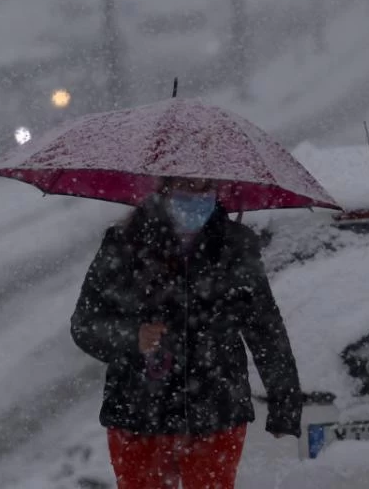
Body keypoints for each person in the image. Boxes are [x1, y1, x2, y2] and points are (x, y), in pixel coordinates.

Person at [71, 176, 303, 488]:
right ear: (164, 189)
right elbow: (85, 323)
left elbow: (265, 328)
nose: (198, 197)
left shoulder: (235, 245)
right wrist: (132, 336)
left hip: (216, 411)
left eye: (206, 187)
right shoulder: (124, 243)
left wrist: (284, 404)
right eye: (188, 186)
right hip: (138, 413)